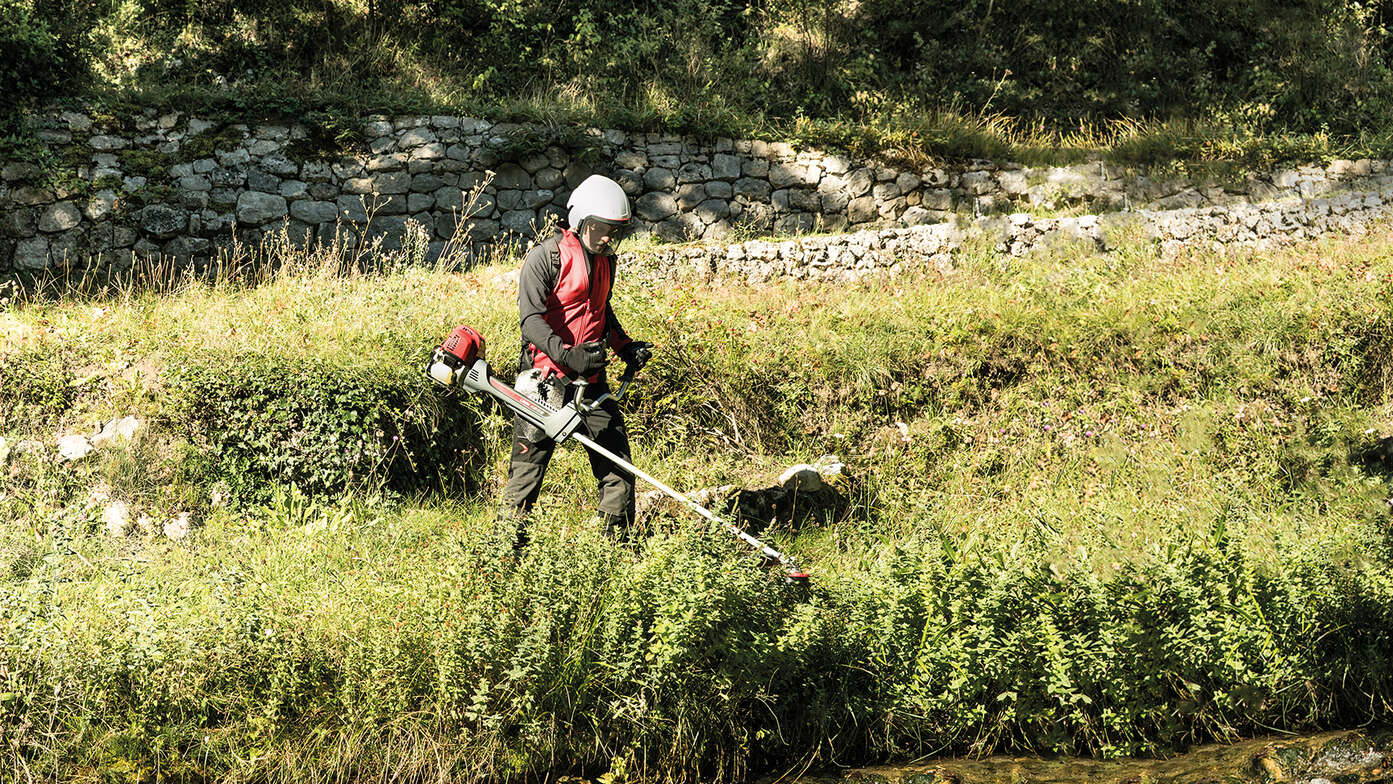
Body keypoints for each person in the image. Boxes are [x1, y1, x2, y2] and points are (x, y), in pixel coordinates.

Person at [501, 174, 653, 547]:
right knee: (526, 477)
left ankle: (612, 553)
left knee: (619, 468)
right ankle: (503, 557)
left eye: (614, 231)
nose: (607, 238)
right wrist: (567, 354)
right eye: (601, 228)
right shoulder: (546, 258)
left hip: (592, 383)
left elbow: (602, 311)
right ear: (581, 221)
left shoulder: (607, 262)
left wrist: (625, 347)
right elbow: (530, 321)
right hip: (544, 382)